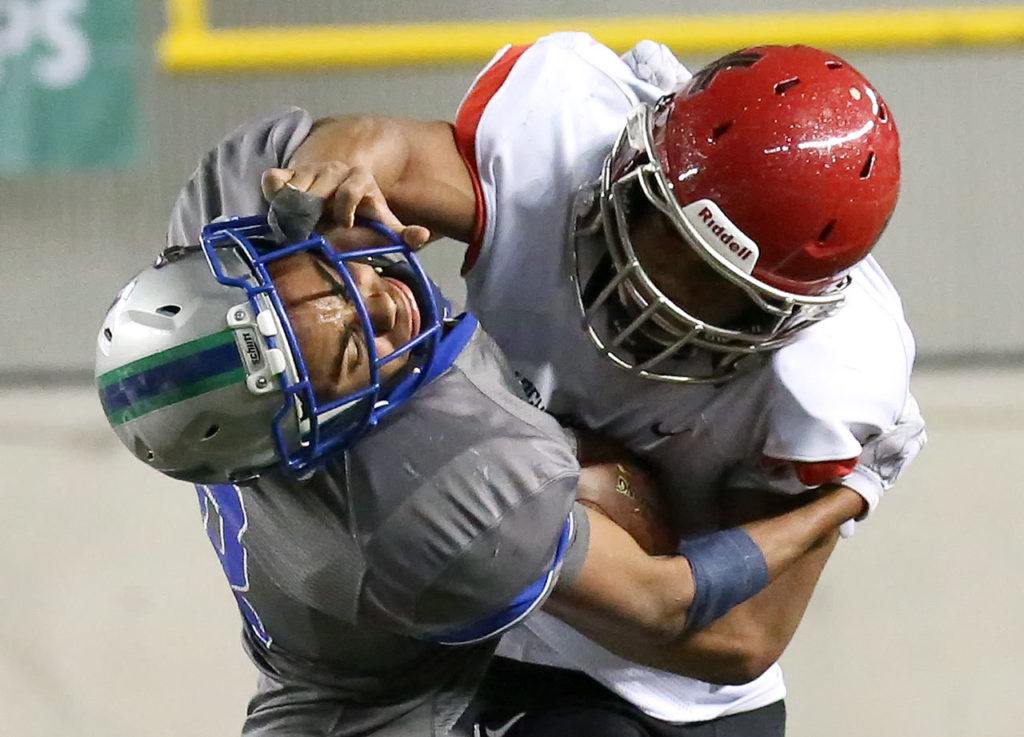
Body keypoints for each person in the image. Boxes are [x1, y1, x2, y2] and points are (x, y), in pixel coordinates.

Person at [94, 113, 869, 736]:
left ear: (242, 258)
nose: (382, 302)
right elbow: (673, 602)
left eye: (328, 280)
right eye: (352, 352)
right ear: (319, 424)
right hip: (379, 712)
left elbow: (361, 140)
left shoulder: (236, 199)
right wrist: (847, 495)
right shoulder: (436, 497)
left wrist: (341, 162)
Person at [256, 36, 927, 735]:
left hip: (638, 690)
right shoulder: (561, 150)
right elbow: (375, 146)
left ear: (793, 309)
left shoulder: (826, 377)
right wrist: (333, 168)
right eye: (663, 235)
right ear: (629, 167)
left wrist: (518, 544)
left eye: (719, 291)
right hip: (452, 631)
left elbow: (742, 638)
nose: (661, 297)